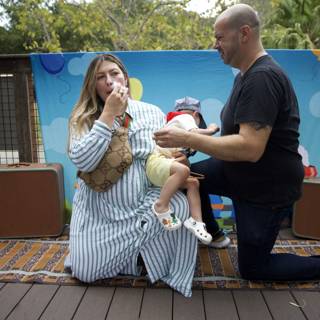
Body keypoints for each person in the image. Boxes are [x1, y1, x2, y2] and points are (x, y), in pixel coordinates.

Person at [154, 4, 320, 281]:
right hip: (238, 171)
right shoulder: (246, 74)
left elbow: (249, 148)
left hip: (266, 186)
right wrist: (186, 146)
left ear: (244, 33)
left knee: (254, 269)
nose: (215, 44)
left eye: (220, 37)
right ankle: (214, 234)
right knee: (187, 176)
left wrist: (187, 137)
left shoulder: (262, 78)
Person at [65, 53, 198, 298]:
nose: (109, 81)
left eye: (114, 74)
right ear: (92, 85)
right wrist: (108, 115)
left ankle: (136, 256)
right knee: (84, 271)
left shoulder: (152, 112)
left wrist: (175, 157)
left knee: (179, 206)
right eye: (100, 77)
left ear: (125, 78)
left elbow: (160, 154)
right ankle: (134, 258)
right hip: (100, 211)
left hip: (144, 204)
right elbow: (83, 160)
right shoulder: (82, 117)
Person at [146, 102, 219, 244]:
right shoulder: (185, 117)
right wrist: (211, 129)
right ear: (196, 115)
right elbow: (195, 133)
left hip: (165, 168)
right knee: (184, 171)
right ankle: (161, 205)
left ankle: (197, 222)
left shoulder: (174, 125)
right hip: (157, 162)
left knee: (193, 183)